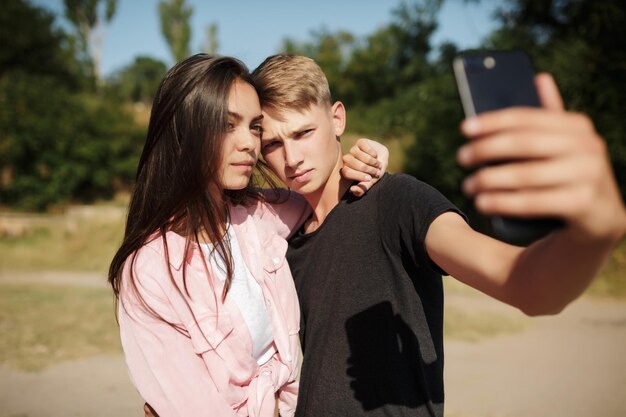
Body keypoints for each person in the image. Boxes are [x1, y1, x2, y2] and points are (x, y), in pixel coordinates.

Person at [250, 54, 626, 417]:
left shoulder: (396, 202)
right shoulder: (284, 240)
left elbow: (525, 283)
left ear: (337, 119)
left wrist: (591, 235)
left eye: (303, 132)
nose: (292, 157)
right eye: (273, 144)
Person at [108, 54, 387, 417]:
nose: (249, 144)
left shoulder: (258, 216)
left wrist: (372, 157)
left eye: (254, 127)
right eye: (227, 125)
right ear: (182, 137)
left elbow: (328, 190)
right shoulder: (150, 272)